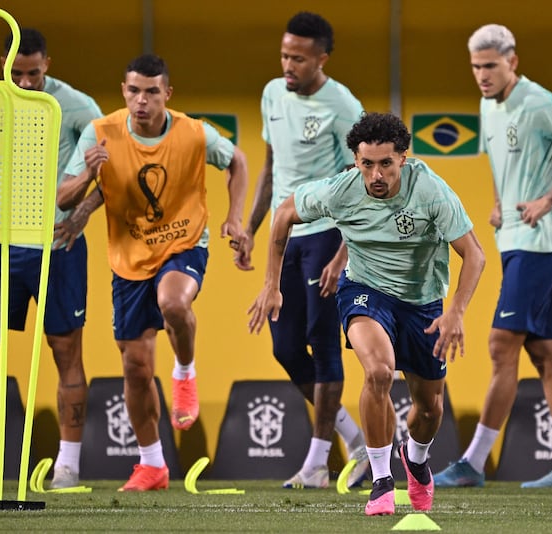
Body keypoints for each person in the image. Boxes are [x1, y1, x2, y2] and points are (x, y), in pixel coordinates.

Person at [248, 112, 485, 516]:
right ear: (356, 161)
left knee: (429, 409)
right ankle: (381, 481)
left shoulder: (429, 190)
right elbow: (284, 213)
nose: (376, 174)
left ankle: (416, 458)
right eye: (367, 164)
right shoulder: (340, 191)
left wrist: (456, 312)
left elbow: (474, 255)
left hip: (422, 301)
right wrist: (272, 283)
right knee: (377, 371)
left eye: (386, 164)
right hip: (365, 292)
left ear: (403, 160)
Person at [56, 54, 248, 491]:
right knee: (136, 367)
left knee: (174, 303)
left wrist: (235, 218)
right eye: (134, 91)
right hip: (128, 258)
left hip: (183, 242)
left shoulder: (194, 133)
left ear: (167, 94)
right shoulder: (100, 132)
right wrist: (89, 170)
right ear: (124, 91)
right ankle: (152, 464)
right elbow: (65, 198)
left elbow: (237, 160)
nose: (142, 101)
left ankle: (184, 371)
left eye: (152, 92)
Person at [433, 23, 552, 490]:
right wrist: (499, 200)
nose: (482, 75)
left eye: (490, 66)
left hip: (541, 243)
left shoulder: (538, 102)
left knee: (499, 344)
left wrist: (547, 198)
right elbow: (500, 163)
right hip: (514, 241)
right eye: (475, 67)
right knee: (546, 353)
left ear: (512, 61)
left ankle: (472, 463)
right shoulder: (487, 106)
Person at [0, 28, 102, 490]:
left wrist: (82, 215)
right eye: (16, 74)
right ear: (4, 66)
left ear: (47, 62)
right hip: (3, 247)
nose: (25, 83)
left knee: (65, 352)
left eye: (33, 73)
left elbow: (113, 170)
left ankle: (68, 465)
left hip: (58, 248)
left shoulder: (78, 107)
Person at [236, 11, 368, 489]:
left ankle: (315, 464)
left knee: (323, 339)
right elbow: (272, 168)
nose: (288, 65)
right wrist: (251, 227)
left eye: (298, 58)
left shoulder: (344, 106)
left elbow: (365, 186)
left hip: (328, 233)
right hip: (283, 234)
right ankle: (356, 438)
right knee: (286, 346)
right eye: (284, 56)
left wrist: (344, 255)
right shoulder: (273, 93)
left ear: (321, 59)